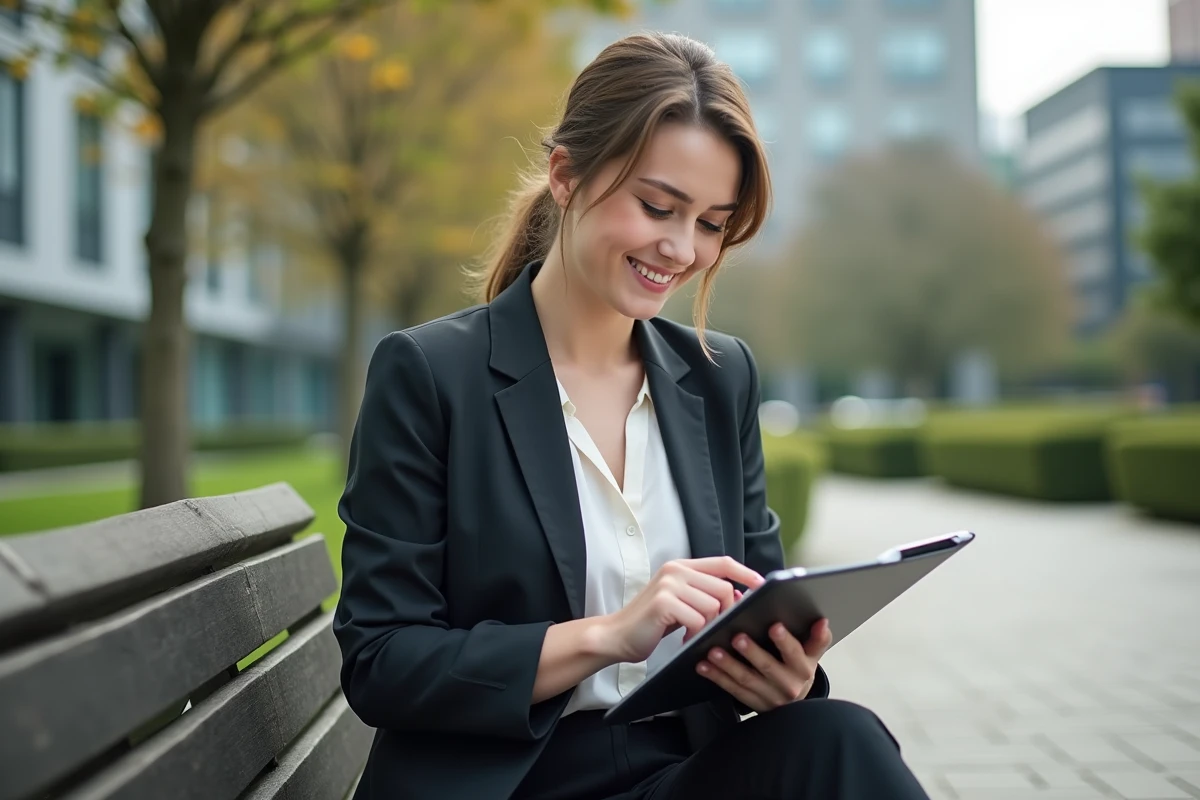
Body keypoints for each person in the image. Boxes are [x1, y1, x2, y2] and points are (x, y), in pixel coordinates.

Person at [332, 31, 930, 800]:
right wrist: (606, 637)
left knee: (839, 736)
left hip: (671, 772)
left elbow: (761, 595)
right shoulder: (430, 375)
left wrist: (786, 671)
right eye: (658, 206)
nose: (682, 249)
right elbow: (382, 661)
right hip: (505, 784)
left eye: (712, 223)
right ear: (565, 175)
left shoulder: (721, 379)